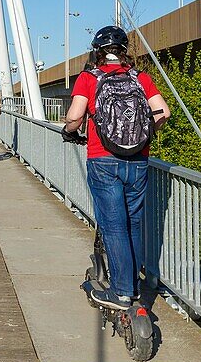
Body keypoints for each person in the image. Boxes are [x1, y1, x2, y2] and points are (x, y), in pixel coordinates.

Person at [62, 26, 170, 310]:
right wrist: (146, 133)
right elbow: (163, 112)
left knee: (114, 226)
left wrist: (70, 130)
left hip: (103, 159)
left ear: (97, 52)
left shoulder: (89, 78)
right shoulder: (140, 78)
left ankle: (121, 292)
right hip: (138, 160)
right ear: (124, 52)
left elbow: (75, 117)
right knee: (133, 224)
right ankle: (132, 286)